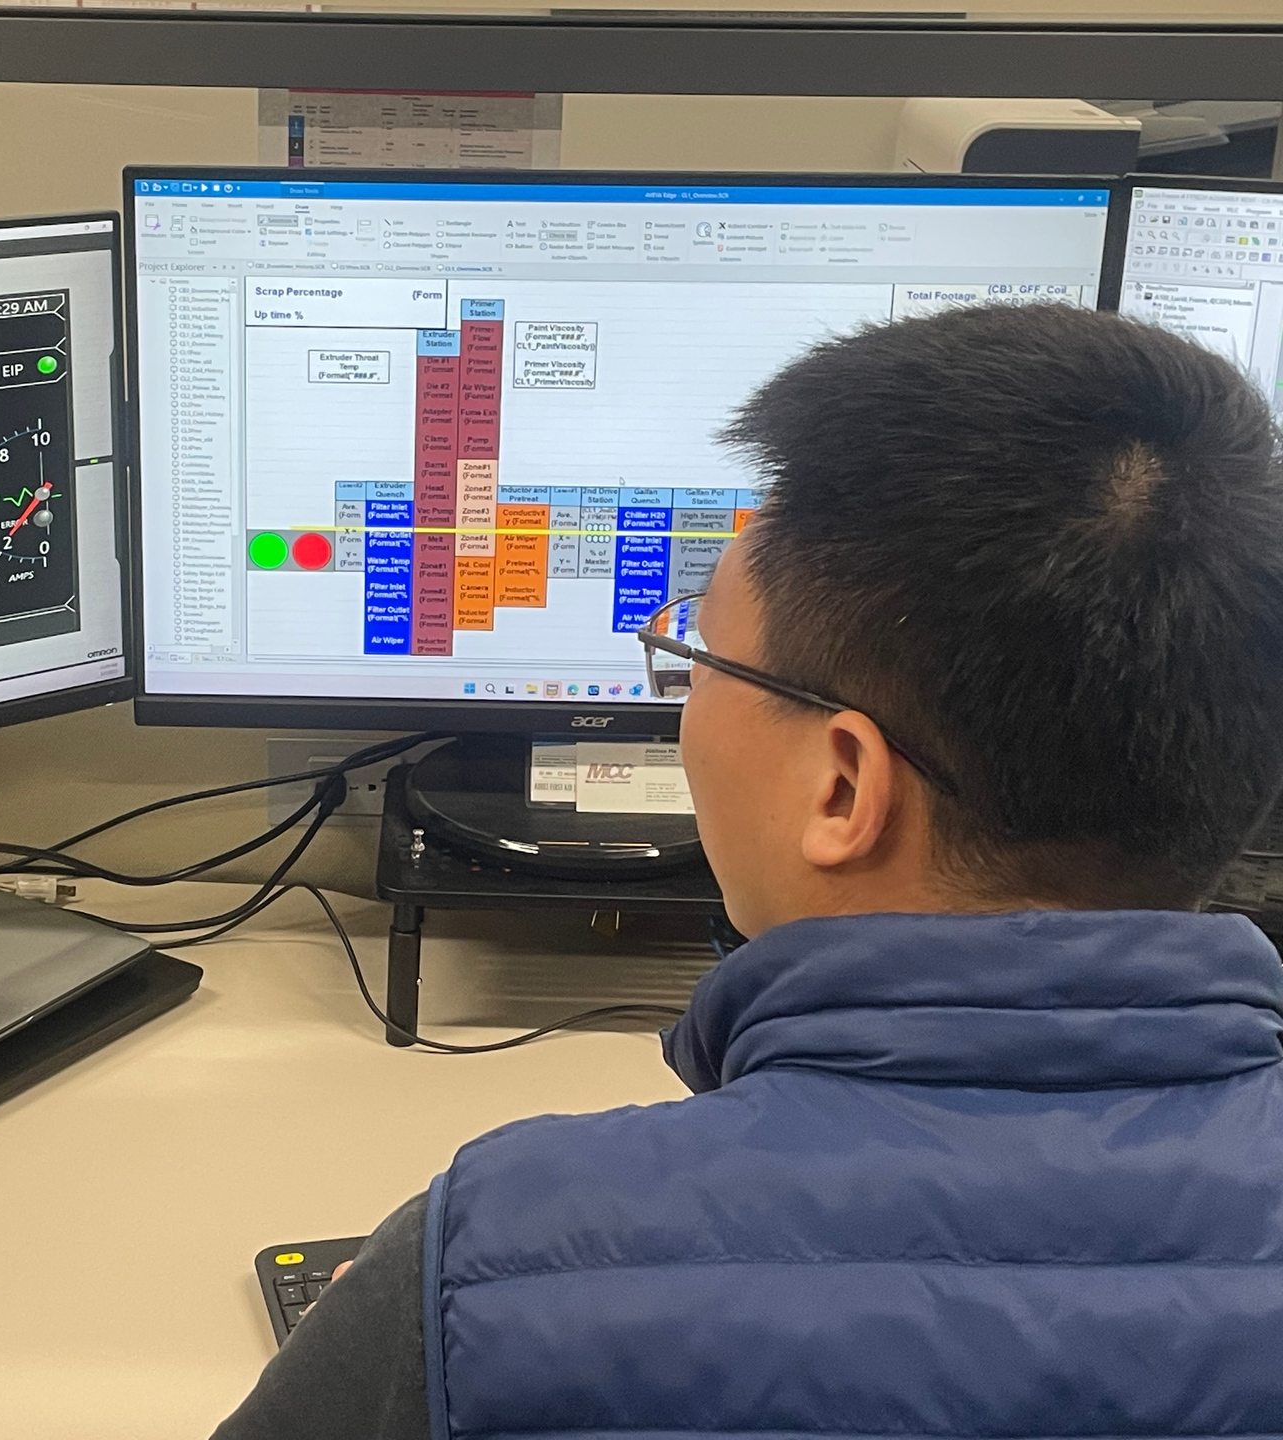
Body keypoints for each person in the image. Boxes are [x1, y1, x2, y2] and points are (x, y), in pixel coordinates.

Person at [210, 303, 1283, 1440]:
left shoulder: (500, 1261)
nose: (684, 698)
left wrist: (398, 1334)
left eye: (699, 657)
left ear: (842, 787)